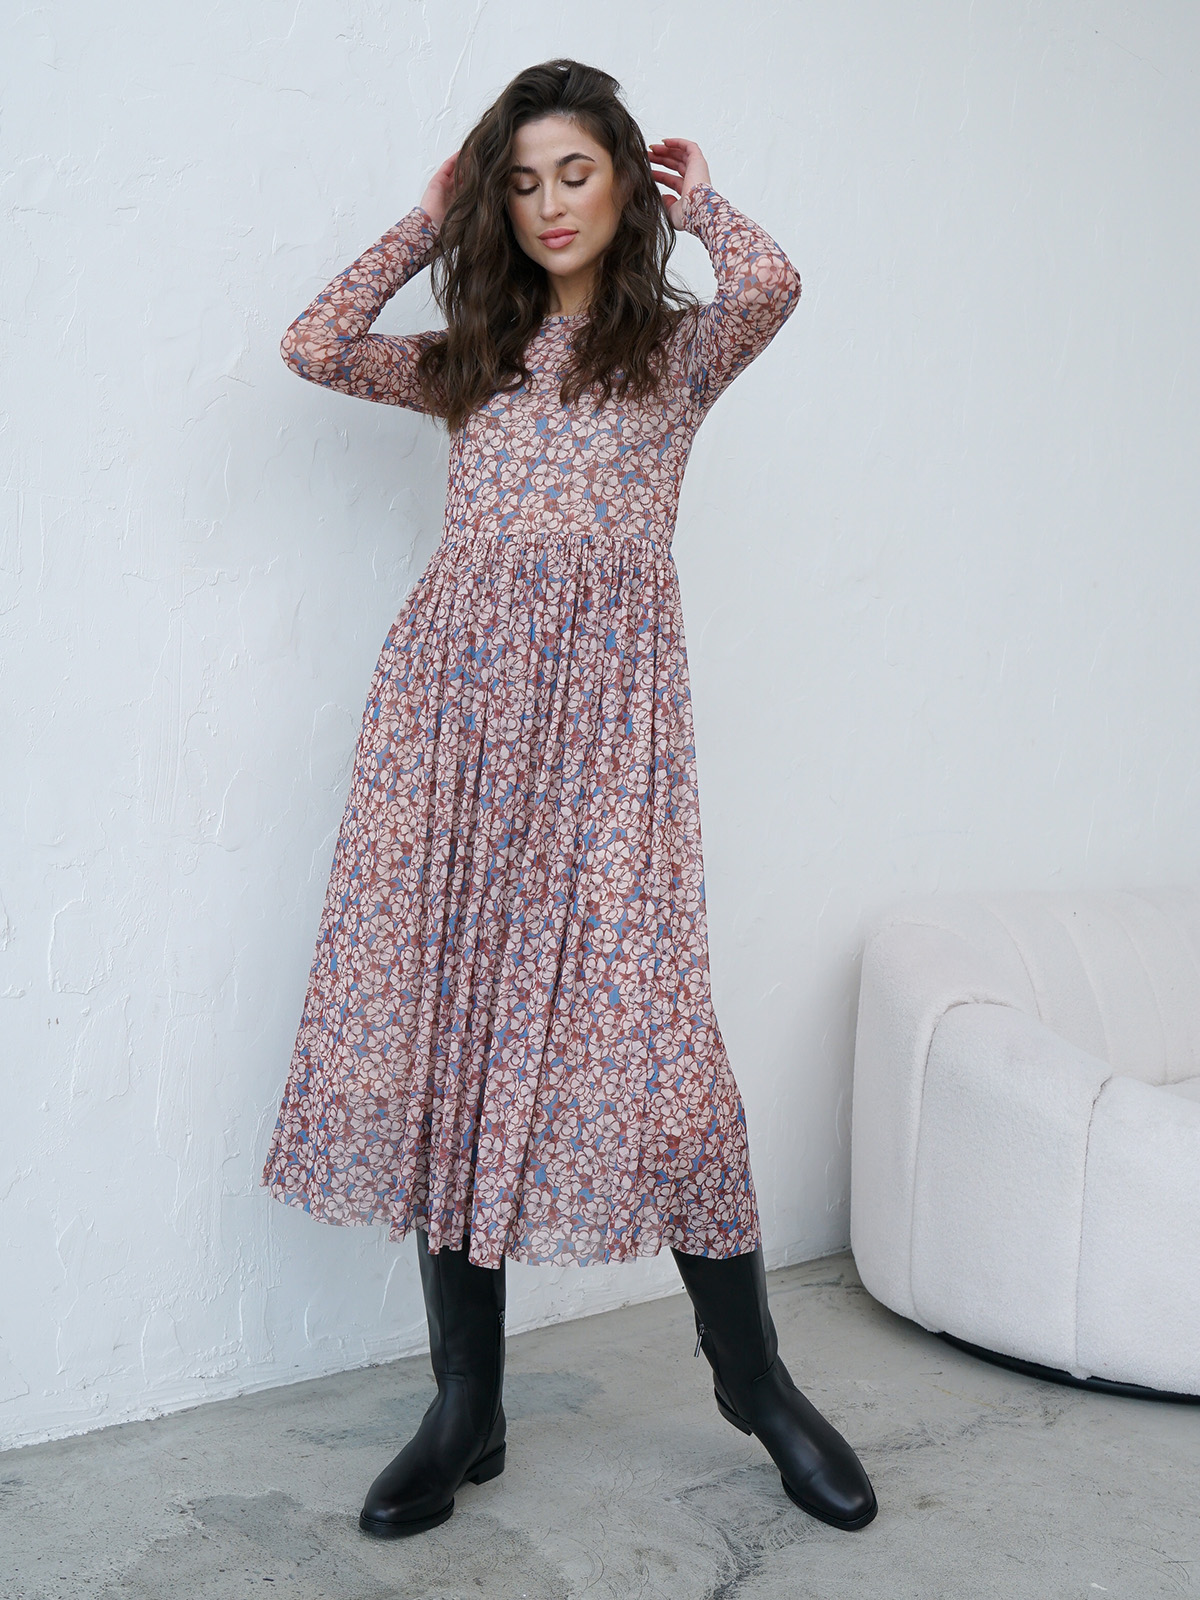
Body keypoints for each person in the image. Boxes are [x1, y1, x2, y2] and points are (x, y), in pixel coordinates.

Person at [261, 57, 877, 1539]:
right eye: (522, 180)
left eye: (575, 173)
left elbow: (778, 284)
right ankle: (464, 1407)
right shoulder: (468, 356)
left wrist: (704, 201)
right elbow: (310, 342)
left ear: (622, 180)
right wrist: (427, 223)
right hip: (450, 732)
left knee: (666, 1052)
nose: (548, 204)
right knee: (453, 1033)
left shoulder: (677, 354)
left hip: (611, 742)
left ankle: (757, 1387)